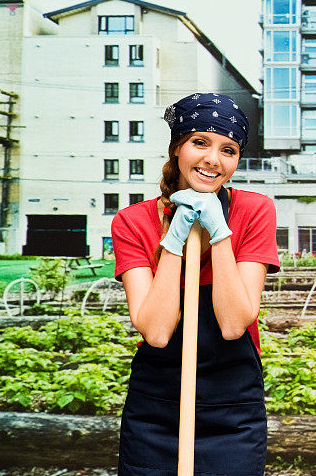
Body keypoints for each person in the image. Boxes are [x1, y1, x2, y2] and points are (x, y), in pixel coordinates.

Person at [111, 92, 281, 475]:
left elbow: (234, 322)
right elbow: (155, 331)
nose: (213, 159)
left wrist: (220, 233)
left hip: (233, 404)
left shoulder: (255, 211)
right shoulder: (131, 222)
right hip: (156, 405)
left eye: (229, 149)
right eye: (199, 142)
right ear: (177, 148)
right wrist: (174, 241)